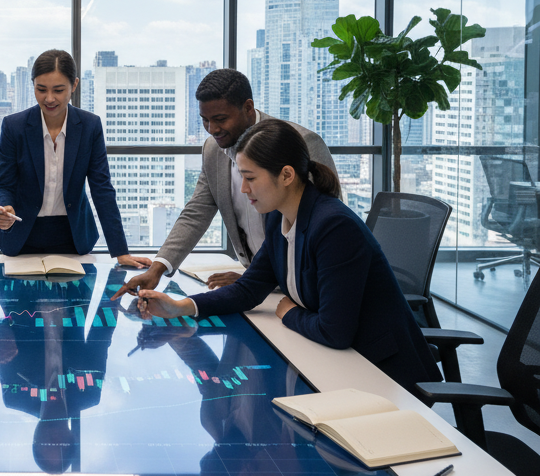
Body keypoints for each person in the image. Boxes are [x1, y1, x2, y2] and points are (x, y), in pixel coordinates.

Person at [133, 118, 440, 393]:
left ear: (287, 175)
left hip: (384, 376)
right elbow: (249, 289)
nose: (242, 189)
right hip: (338, 366)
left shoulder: (334, 226)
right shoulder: (278, 216)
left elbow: (335, 332)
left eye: (250, 178)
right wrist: (180, 307)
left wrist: (288, 312)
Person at [115, 68, 337, 299]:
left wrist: (257, 278)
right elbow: (196, 212)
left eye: (220, 119)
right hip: (258, 286)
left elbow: (321, 226)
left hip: (303, 286)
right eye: (205, 120)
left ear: (248, 108)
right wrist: (157, 269)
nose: (212, 129)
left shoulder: (301, 142)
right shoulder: (213, 149)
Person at [0, 49, 150, 267]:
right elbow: (3, 185)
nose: (49, 98)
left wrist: (120, 251)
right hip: (21, 235)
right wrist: (4, 207)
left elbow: (101, 188)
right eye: (41, 89)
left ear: (74, 86)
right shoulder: (14, 126)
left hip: (73, 236)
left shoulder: (89, 126)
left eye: (58, 90)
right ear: (33, 85)